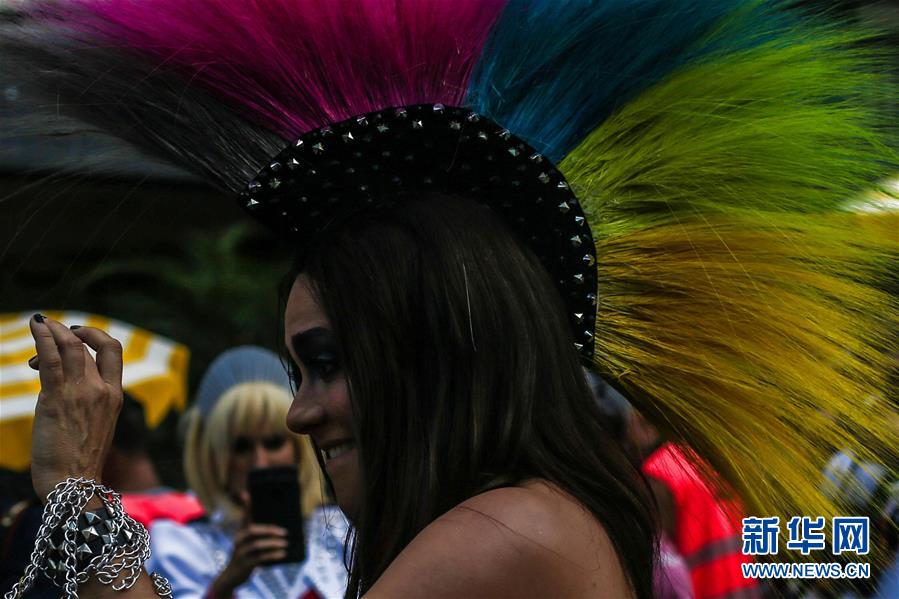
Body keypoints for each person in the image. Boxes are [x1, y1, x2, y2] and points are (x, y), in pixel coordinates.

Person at [6, 1, 899, 598]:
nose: (298, 414)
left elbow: (821, 549)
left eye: (327, 363)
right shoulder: (544, 514)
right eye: (296, 373)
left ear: (434, 356)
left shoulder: (517, 529)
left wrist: (75, 489)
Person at [144, 347, 348, 599]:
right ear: (212, 457)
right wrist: (225, 585)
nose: (260, 462)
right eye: (241, 447)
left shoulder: (345, 531)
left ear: (300, 450)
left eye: (274, 443)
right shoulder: (180, 546)